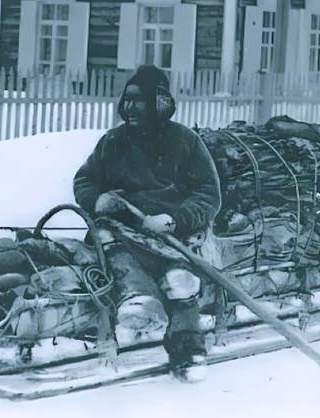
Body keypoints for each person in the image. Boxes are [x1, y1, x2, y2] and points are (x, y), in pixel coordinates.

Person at [73, 65, 221, 381]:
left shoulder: (185, 142)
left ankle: (189, 352)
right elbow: (85, 180)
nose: (130, 107)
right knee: (115, 253)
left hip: (172, 237)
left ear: (160, 104)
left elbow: (208, 194)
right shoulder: (112, 141)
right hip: (120, 233)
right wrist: (100, 200)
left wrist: (174, 220)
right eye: (127, 100)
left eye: (139, 101)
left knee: (180, 282)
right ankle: (139, 303)